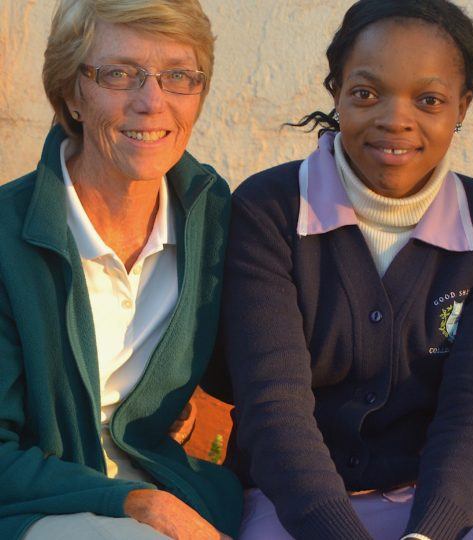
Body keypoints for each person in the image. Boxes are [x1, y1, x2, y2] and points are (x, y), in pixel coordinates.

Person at [219, 1, 473, 539]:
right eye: (366, 93)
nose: (395, 118)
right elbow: (275, 408)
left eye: (429, 99)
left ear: (462, 107)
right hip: (288, 506)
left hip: (433, 510)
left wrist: (429, 534)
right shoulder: (269, 210)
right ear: (337, 93)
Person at [0, 1, 241, 539]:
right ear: (71, 94)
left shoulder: (214, 220)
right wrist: (136, 503)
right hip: (37, 505)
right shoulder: (6, 239)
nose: (151, 102)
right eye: (119, 74)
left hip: (176, 493)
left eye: (178, 75)